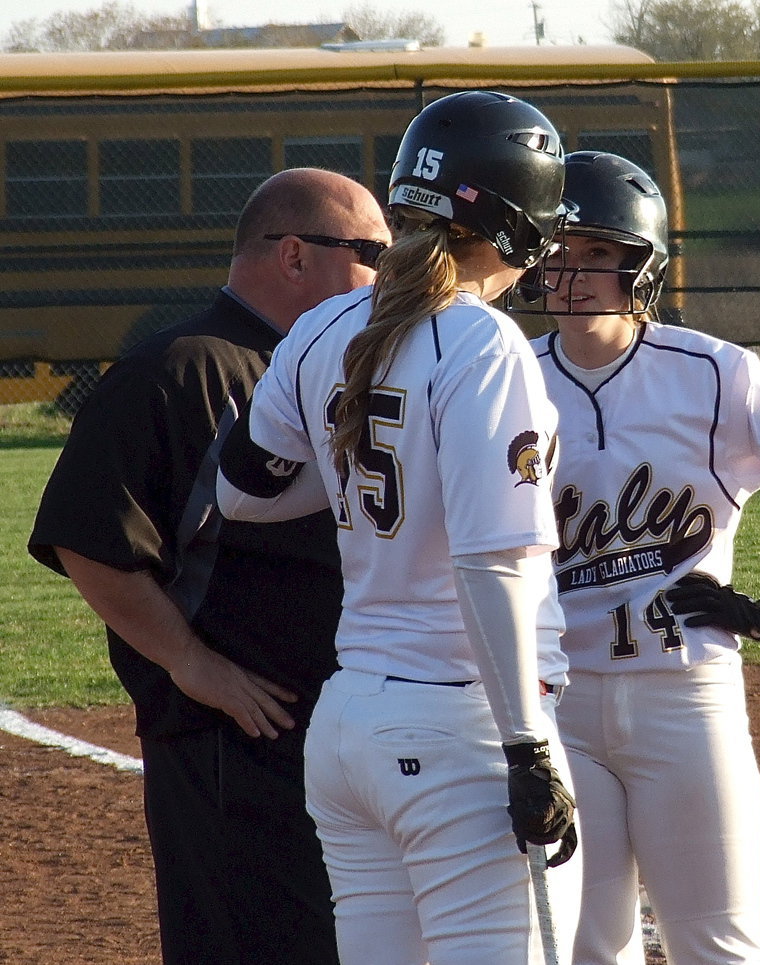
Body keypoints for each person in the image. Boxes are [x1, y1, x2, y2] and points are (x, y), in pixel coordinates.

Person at [214, 90, 581, 965]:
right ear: (519, 221)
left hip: (350, 725)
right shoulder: (483, 341)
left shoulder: (323, 324)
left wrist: (358, 482)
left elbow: (241, 493)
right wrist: (526, 747)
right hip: (461, 722)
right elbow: (494, 562)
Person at [517, 150, 760, 965]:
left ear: (641, 265)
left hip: (684, 697)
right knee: (585, 947)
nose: (571, 271)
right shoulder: (510, 377)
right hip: (559, 706)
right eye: (559, 250)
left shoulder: (713, 372)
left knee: (716, 945)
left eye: (596, 252)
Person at [27, 168, 391, 964]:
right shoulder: (183, 368)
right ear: (294, 256)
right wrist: (190, 661)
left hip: (333, 734)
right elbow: (88, 535)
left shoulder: (329, 369)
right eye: (372, 253)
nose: (387, 275)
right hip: (233, 748)